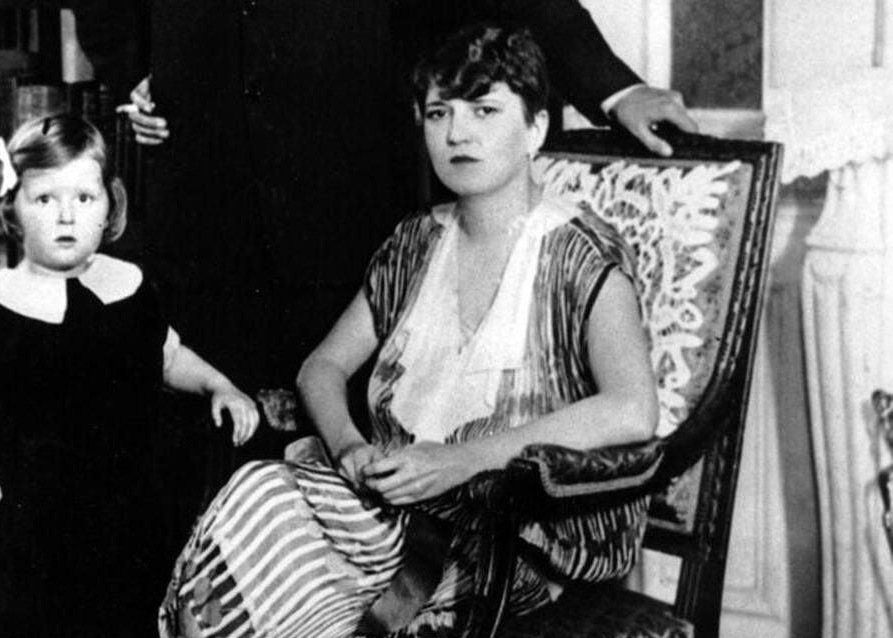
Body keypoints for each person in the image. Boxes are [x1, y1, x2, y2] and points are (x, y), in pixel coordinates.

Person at [157, 24, 659, 638]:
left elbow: (632, 409)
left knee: (302, 608)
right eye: (439, 113)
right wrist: (348, 447)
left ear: (535, 129)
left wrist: (461, 461)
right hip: (391, 513)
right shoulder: (417, 240)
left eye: (484, 110)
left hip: (508, 535)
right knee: (255, 506)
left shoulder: (579, 253)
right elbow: (322, 368)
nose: (458, 134)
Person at [69, 0, 692, 463]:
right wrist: (137, 69)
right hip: (204, 211)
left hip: (344, 205)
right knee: (204, 475)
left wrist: (616, 89)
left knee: (363, 476)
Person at [0, 113, 259, 638]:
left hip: (132, 527)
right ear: (12, 208)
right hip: (28, 545)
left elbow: (166, 354)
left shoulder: (130, 285)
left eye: (84, 198)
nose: (66, 215)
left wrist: (217, 384)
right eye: (45, 199)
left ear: (110, 204)